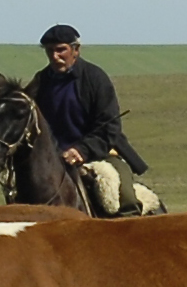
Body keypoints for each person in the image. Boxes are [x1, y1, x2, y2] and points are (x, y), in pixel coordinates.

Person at [26, 24, 147, 175]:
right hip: (51, 159)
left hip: (97, 156)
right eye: (50, 50)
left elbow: (109, 127)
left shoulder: (95, 78)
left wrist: (81, 150)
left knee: (125, 196)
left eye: (61, 50)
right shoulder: (40, 81)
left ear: (76, 50)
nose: (55, 56)